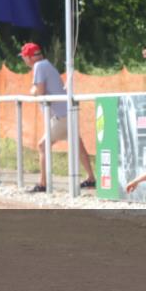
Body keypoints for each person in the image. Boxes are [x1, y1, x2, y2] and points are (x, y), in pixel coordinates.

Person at [19, 43, 96, 193]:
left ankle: (43, 183)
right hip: (67, 112)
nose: (24, 60)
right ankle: (91, 178)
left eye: (24, 57)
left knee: (42, 146)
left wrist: (32, 90)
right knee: (78, 145)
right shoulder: (46, 64)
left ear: (30, 57)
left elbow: (40, 91)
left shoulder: (39, 66)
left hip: (60, 115)